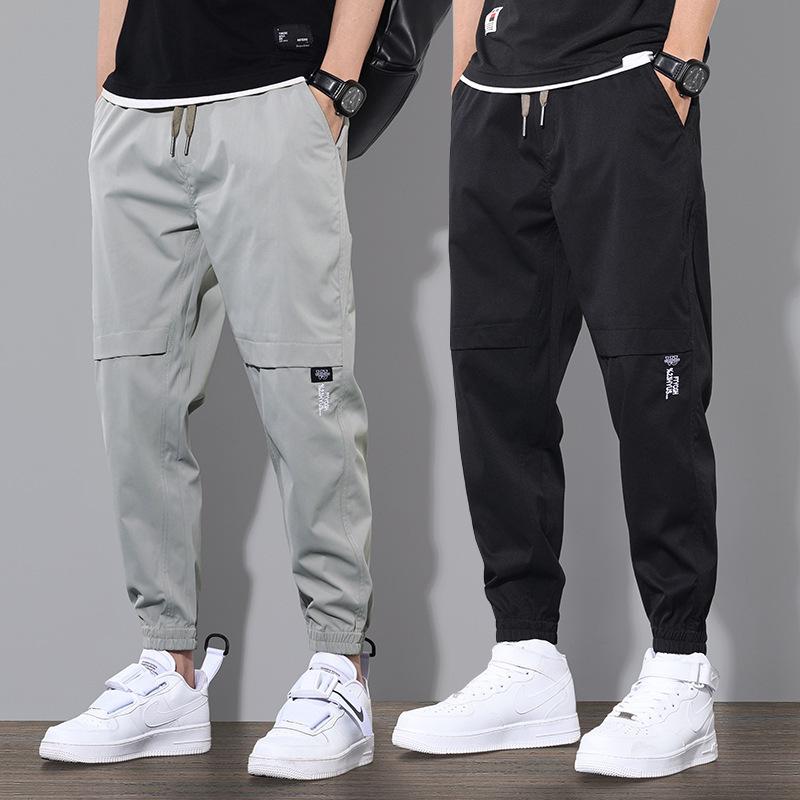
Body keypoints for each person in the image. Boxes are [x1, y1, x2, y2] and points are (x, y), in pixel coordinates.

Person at [40, 0, 384, 781]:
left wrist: (334, 84)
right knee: (135, 399)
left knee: (305, 392)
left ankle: (341, 668)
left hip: (276, 96)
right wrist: (110, 79)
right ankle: (167, 669)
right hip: (137, 115)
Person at [394, 0, 721, 779]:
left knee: (652, 376)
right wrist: (464, 73)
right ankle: (526, 654)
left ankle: (680, 662)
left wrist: (680, 60)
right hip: (497, 96)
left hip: (625, 80)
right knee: (496, 379)